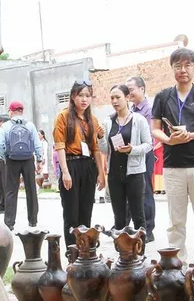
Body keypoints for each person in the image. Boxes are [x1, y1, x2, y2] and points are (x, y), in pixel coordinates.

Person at [152, 48, 194, 260]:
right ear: (172, 68)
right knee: (176, 221)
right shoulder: (163, 96)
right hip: (173, 166)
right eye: (178, 66)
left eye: (187, 65)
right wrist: (169, 140)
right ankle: (176, 264)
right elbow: (155, 128)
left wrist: (190, 135)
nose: (183, 70)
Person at [53, 80, 106, 248]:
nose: (84, 99)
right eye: (80, 95)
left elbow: (96, 149)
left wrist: (101, 174)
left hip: (88, 166)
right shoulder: (63, 117)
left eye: (88, 96)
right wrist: (65, 172)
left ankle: (86, 250)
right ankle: (72, 252)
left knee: (86, 211)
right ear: (73, 96)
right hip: (71, 164)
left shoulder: (93, 120)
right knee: (71, 213)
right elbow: (60, 146)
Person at [100, 84, 152, 235]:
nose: (115, 101)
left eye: (118, 97)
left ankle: (139, 250)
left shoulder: (139, 120)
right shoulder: (108, 122)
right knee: (119, 218)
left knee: (138, 216)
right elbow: (104, 149)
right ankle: (122, 253)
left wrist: (132, 150)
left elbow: (149, 145)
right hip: (115, 174)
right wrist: (100, 137)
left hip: (134, 174)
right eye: (112, 98)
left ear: (127, 98)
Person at [0, 101, 43, 230]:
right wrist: (39, 159)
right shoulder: (30, 125)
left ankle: (9, 223)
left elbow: (0, 144)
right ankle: (33, 220)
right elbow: (37, 144)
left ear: (11, 112)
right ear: (22, 111)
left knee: (11, 191)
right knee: (31, 190)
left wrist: (5, 155)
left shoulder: (5, 126)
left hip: (12, 160)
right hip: (28, 159)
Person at [126, 76, 156, 242]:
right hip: (131, 154)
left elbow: (150, 137)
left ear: (142, 89)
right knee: (131, 191)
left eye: (131, 90)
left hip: (145, 153)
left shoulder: (149, 110)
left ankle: (148, 229)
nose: (128, 94)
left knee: (145, 191)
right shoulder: (130, 110)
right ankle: (129, 226)